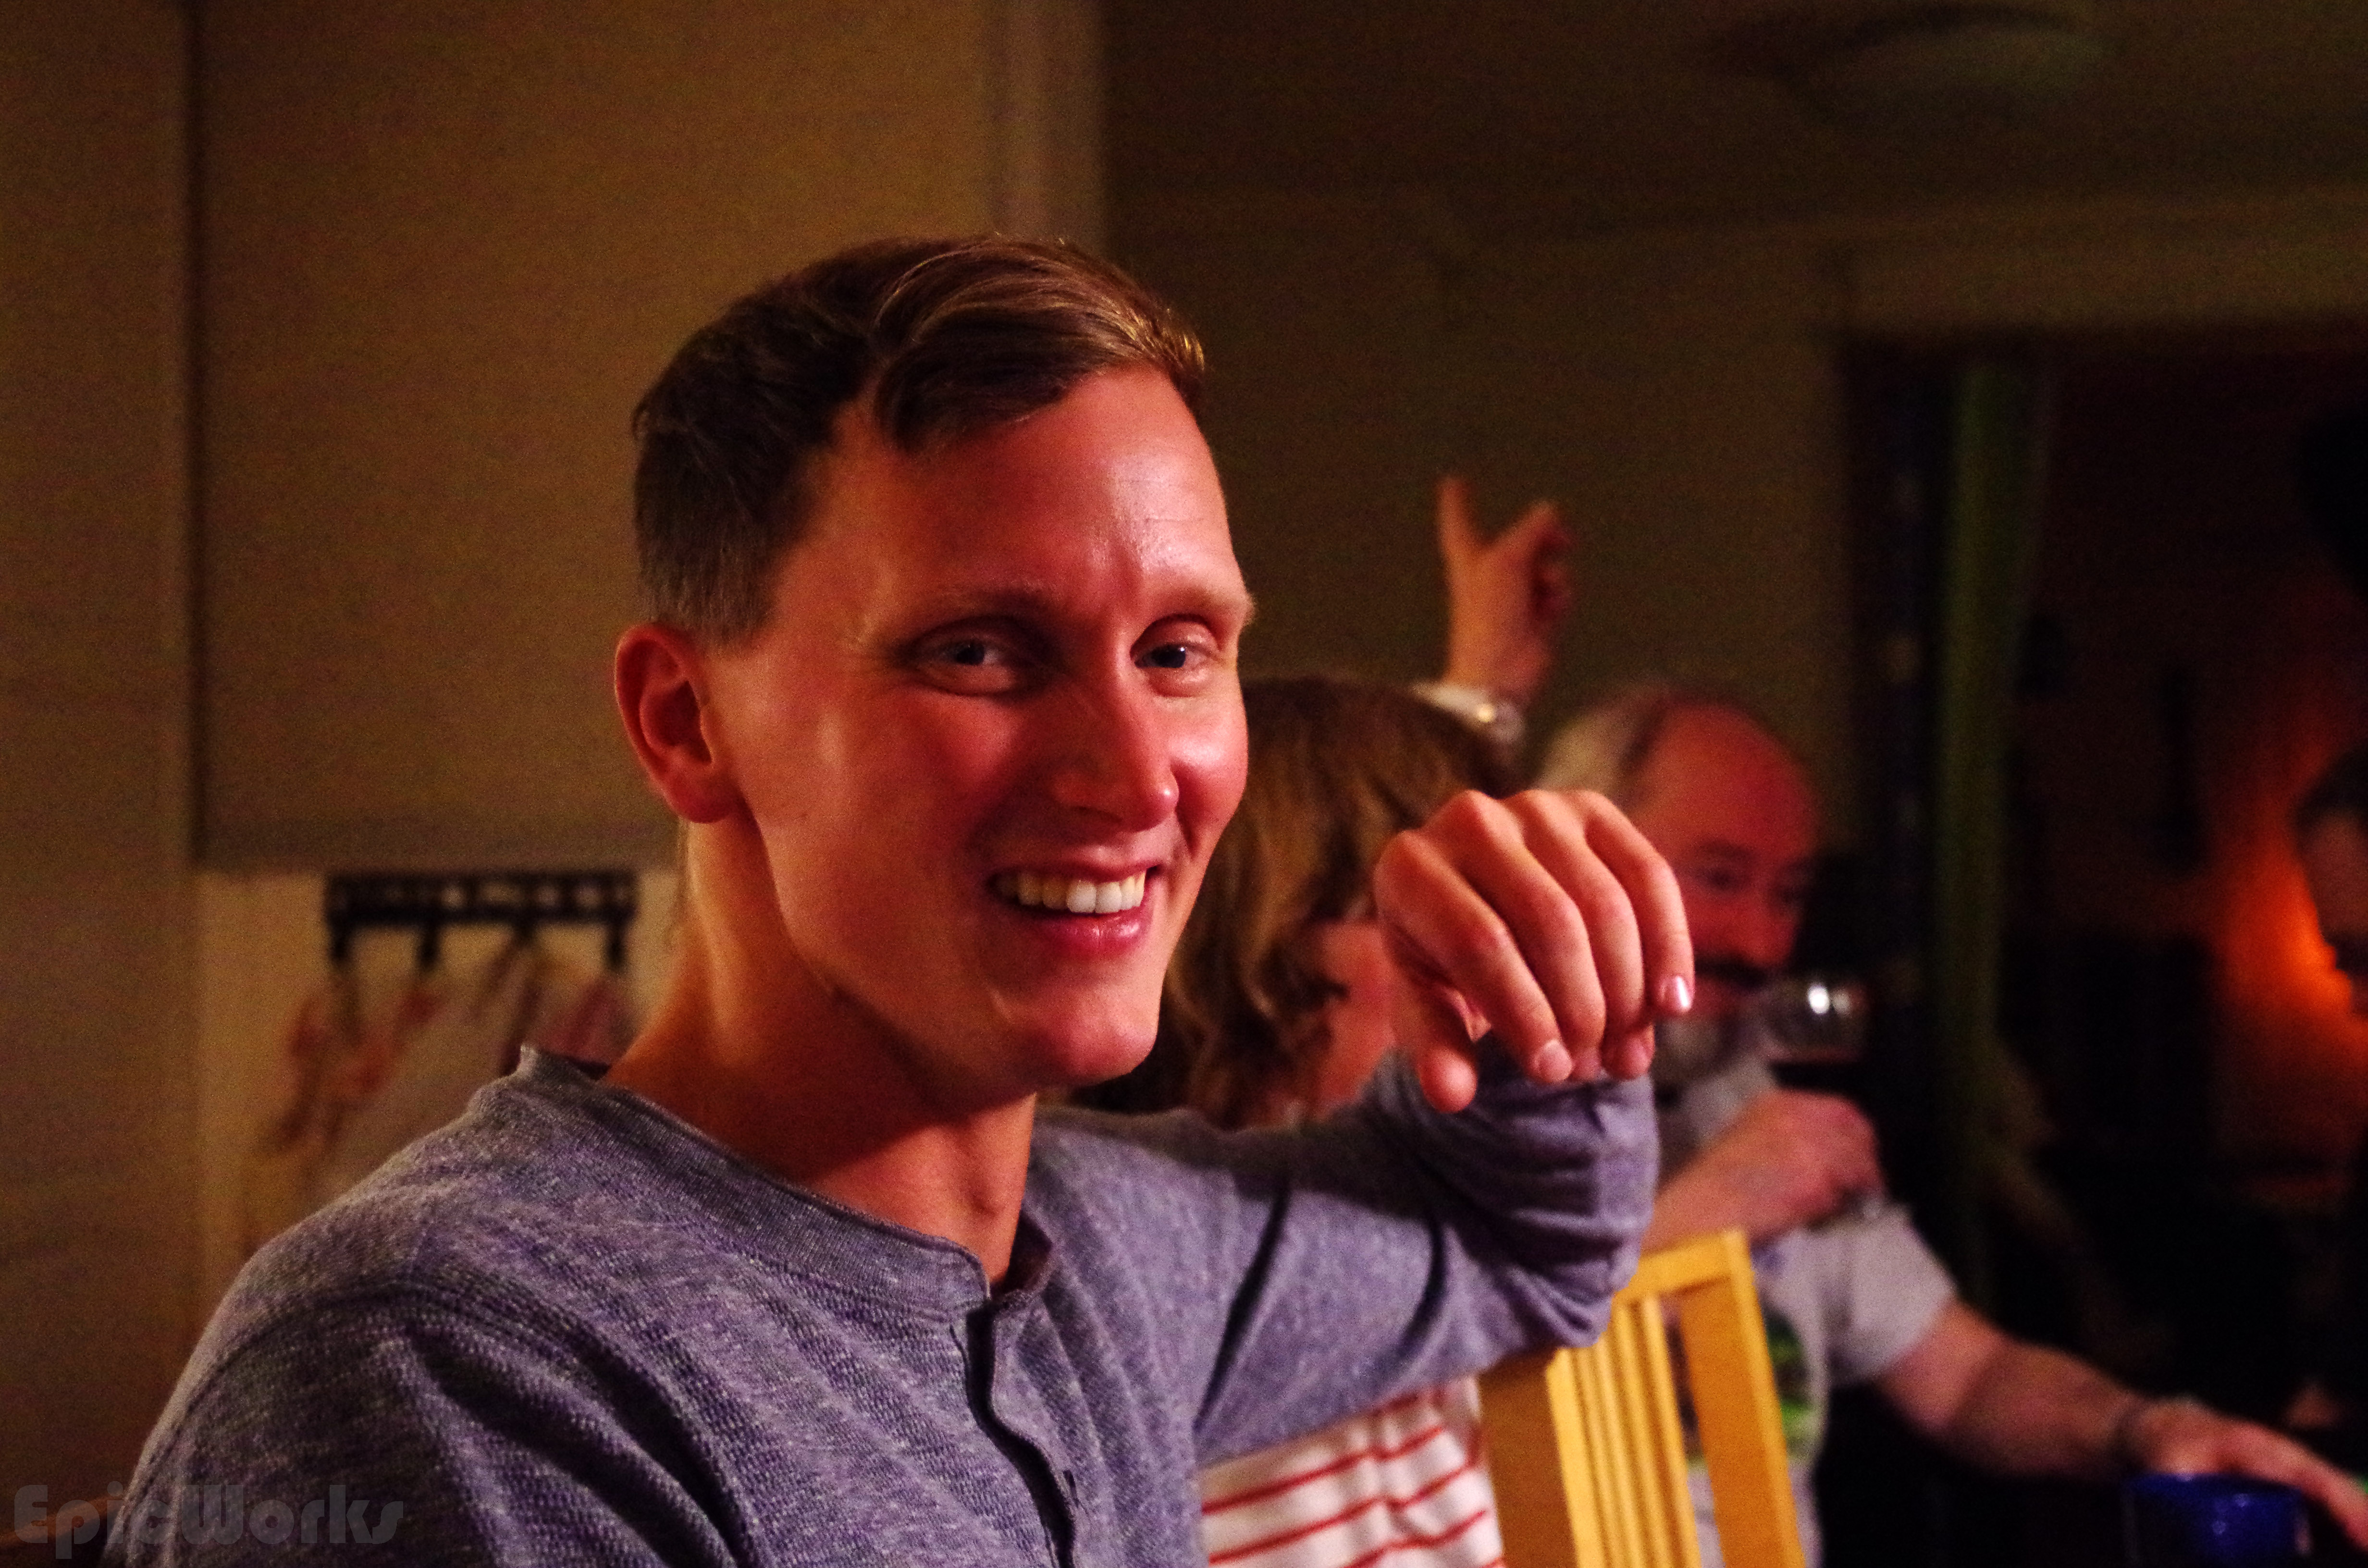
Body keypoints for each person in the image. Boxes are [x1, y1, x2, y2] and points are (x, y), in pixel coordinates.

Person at [97, 238, 1693, 1566]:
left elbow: (1517, 1246)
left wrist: (1542, 1010)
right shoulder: (460, 1368)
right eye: (979, 650)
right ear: (686, 721)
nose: (1135, 773)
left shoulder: (1108, 1251)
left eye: (1177, 651)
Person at [1538, 684, 2368, 1564]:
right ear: (1577, 862)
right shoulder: (1468, 1104)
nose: (1761, 942)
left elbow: (1970, 1380)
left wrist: (2148, 1427)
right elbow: (1452, 1396)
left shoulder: (1747, 1098)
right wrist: (1697, 1217)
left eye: (1788, 894)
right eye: (1719, 878)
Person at [1168, 676, 1519, 1568]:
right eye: (1440, 918)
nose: (1490, 963)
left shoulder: (1405, 1206)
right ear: (1277, 936)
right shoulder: (1181, 1269)